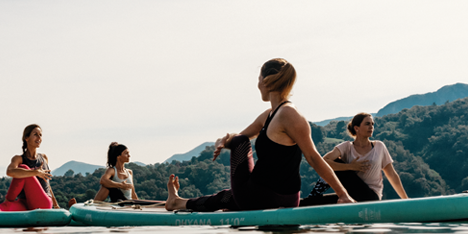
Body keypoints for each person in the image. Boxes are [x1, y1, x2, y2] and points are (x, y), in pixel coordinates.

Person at [165, 58, 355, 212]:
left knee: (239, 143)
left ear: (265, 81)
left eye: (258, 79)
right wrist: (223, 140)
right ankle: (178, 202)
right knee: (227, 197)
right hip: (283, 198)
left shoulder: (288, 114)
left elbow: (314, 157)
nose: (257, 85)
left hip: (262, 196)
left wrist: (343, 194)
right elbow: (239, 135)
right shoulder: (270, 115)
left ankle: (180, 202)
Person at [305, 112, 408, 203]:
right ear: (356, 128)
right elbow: (322, 162)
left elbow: (392, 175)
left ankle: (315, 193)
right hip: (350, 196)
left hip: (370, 197)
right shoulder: (346, 147)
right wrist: (351, 166)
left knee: (336, 163)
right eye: (367, 124)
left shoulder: (379, 147)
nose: (371, 127)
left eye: (372, 124)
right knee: (311, 202)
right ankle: (307, 200)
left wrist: (406, 200)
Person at [0, 124, 61, 211]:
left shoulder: (43, 158)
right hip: (25, 203)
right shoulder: (18, 159)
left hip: (43, 203)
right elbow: (10, 172)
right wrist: (35, 172)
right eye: (35, 134)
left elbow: (47, 185)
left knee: (23, 168)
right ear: (26, 138)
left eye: (40, 135)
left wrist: (56, 205)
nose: (39, 137)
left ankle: (7, 200)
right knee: (7, 207)